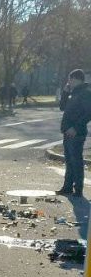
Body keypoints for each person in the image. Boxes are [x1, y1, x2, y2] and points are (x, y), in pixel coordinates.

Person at [56, 69, 91, 197]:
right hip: (67, 131)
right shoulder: (73, 92)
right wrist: (65, 92)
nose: (69, 81)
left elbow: (88, 113)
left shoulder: (85, 93)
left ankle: (78, 189)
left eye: (71, 79)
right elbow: (62, 107)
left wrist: (75, 128)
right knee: (69, 160)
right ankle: (67, 187)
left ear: (78, 79)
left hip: (76, 133)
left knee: (76, 161)